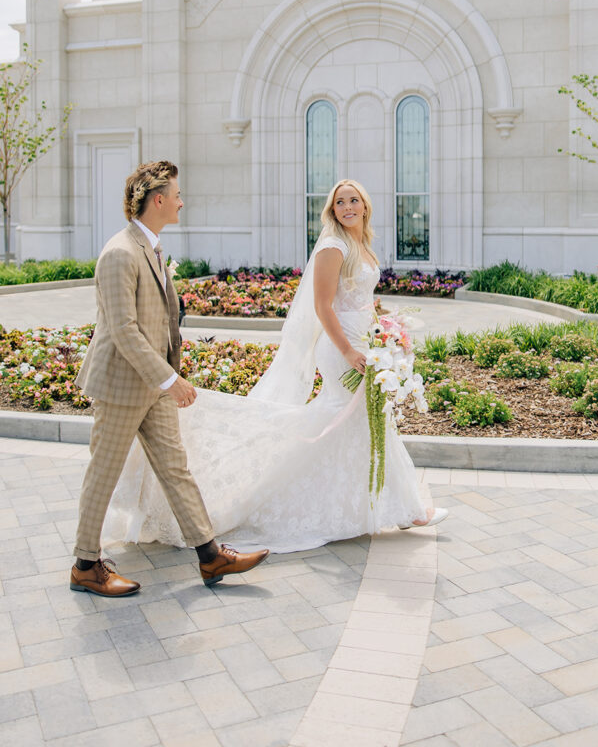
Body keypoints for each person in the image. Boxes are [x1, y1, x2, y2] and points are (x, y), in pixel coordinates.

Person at [103, 178, 446, 554]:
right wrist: (348, 351)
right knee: (353, 417)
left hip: (367, 342)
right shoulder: (332, 247)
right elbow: (322, 306)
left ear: (365, 206)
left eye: (353, 201)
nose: (347, 207)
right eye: (339, 203)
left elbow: (362, 300)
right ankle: (401, 507)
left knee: (365, 420)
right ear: (332, 211)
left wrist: (386, 334)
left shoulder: (360, 245)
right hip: (341, 347)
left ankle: (390, 505)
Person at [70, 160, 269, 597]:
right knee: (103, 473)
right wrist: (169, 379)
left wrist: (167, 376)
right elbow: (123, 330)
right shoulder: (120, 253)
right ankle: (86, 565)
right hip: (123, 386)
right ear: (158, 200)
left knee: (176, 470)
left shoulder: (152, 248)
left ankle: (209, 554)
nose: (182, 201)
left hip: (153, 386)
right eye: (177, 194)